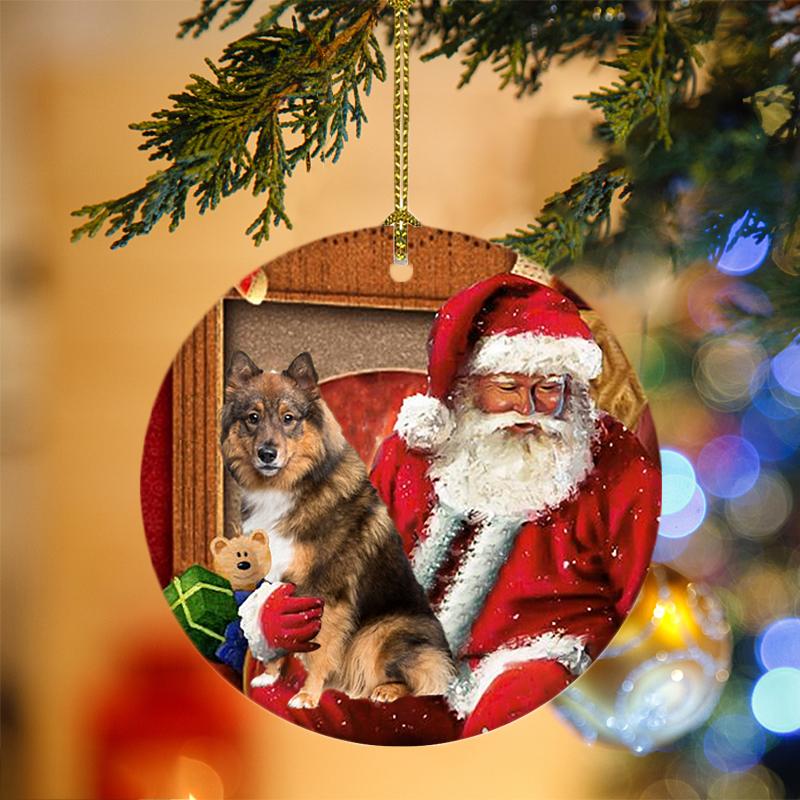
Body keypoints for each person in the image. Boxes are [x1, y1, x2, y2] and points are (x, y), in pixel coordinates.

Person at [243, 273, 661, 742]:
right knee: (290, 702)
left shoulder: (615, 465)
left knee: (517, 704)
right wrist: (284, 610)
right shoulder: (415, 452)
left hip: (532, 662)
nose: (530, 408)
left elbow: (643, 598)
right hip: (410, 670)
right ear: (469, 384)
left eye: (549, 388)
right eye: (507, 386)